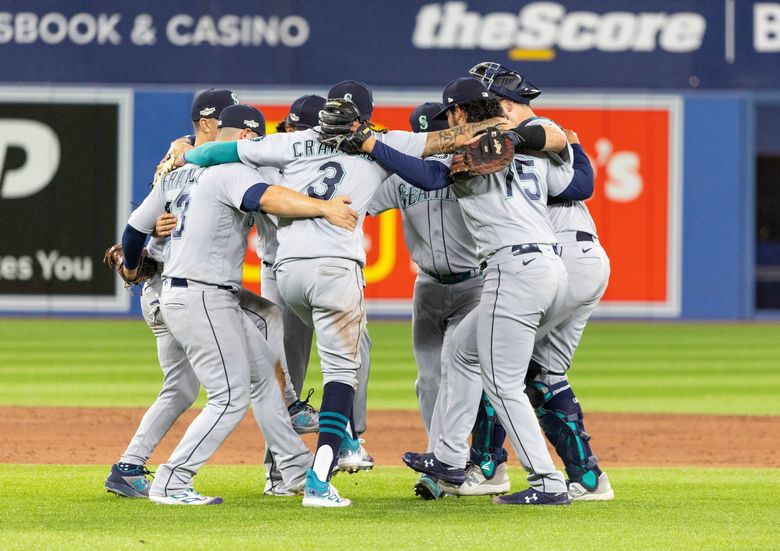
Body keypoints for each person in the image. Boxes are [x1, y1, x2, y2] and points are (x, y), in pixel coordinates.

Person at [178, 80, 510, 506]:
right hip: (334, 269)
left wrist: (183, 150)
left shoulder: (294, 142)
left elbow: (212, 153)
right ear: (365, 116)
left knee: (292, 366)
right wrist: (508, 124)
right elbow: (450, 143)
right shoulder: (383, 142)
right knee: (341, 374)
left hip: (287, 272)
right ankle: (323, 472)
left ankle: (290, 462)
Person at [347, 76, 592, 505]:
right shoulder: (530, 153)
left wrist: (371, 144)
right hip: (551, 267)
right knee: (460, 351)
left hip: (511, 268)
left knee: (503, 384)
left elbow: (428, 176)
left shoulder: (477, 150)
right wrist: (547, 142)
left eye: (450, 117)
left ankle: (547, 482)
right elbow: (572, 185)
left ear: (459, 114)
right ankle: (449, 458)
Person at [118, 102, 358, 505]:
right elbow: (269, 198)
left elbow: (133, 229)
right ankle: (172, 481)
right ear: (247, 137)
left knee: (264, 376)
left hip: (190, 292)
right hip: (203, 294)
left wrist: (129, 266)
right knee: (228, 397)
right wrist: (324, 207)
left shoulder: (177, 175)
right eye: (257, 138)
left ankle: (297, 470)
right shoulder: (232, 171)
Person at [469, 61, 613, 501]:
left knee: (494, 360)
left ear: (508, 105)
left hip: (562, 252)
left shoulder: (537, 130)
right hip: (581, 255)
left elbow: (581, 185)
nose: (477, 111)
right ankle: (587, 478)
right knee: (542, 372)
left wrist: (569, 143)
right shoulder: (543, 133)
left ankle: (488, 464)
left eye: (486, 102)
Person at [104, 89, 238, 499]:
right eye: (226, 118)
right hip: (173, 283)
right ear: (206, 122)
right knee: (234, 380)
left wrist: (133, 257)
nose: (234, 125)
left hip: (165, 290)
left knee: (181, 388)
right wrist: (132, 261)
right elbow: (137, 225)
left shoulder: (186, 157)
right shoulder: (180, 160)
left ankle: (128, 467)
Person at [367, 101, 488, 499]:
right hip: (429, 287)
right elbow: (357, 201)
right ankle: (445, 459)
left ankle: (445, 464)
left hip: (474, 284)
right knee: (429, 381)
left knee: (457, 372)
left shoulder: (469, 168)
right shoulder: (403, 179)